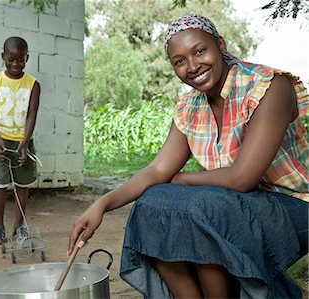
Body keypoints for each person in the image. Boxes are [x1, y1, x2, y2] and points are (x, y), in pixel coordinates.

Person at [68, 13, 308, 298]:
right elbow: (157, 170)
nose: (192, 66)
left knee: (204, 211)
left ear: (221, 44)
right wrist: (101, 205)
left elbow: (242, 178)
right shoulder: (190, 106)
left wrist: (182, 178)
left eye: (200, 51)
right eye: (179, 61)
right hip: (231, 207)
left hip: (292, 207)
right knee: (152, 204)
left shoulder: (268, 87)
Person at [0, 36, 40, 245]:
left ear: (27, 58)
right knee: (0, 184)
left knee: (22, 185)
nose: (16, 64)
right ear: (3, 57)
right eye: (11, 60)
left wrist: (25, 143)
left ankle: (19, 227)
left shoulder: (33, 85)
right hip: (2, 142)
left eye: (20, 60)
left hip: (24, 143)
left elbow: (31, 115)